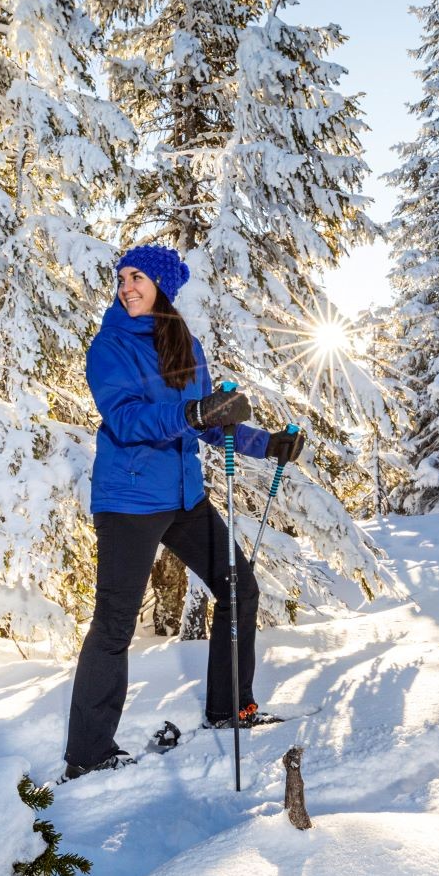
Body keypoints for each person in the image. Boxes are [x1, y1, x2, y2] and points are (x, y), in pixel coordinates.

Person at [64, 244, 306, 780]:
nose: (126, 286)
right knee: (114, 624)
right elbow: (127, 420)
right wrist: (193, 410)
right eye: (122, 277)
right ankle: (87, 754)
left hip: (183, 496)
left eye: (137, 278)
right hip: (129, 499)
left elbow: (208, 423)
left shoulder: (184, 345)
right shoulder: (109, 346)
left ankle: (230, 708)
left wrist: (267, 444)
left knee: (239, 586)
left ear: (163, 288)